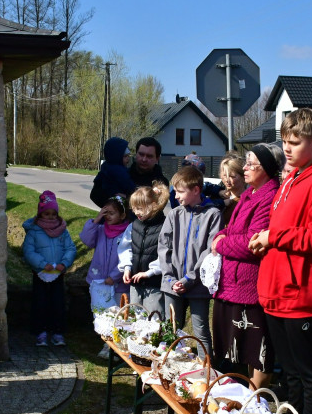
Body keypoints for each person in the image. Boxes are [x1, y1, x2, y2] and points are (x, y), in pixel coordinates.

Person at [249, 108, 312, 414]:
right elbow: (289, 227)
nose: (287, 149)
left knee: (311, 375)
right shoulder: (294, 175)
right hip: (281, 292)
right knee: (291, 374)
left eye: (295, 142)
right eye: (284, 142)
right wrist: (268, 239)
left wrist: (274, 237)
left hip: (305, 294)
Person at [210, 143, 283, 388]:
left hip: (251, 286)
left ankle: (256, 398)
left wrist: (221, 244)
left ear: (267, 168)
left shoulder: (269, 196)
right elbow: (230, 230)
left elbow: (252, 243)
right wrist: (221, 236)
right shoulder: (249, 194)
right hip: (232, 283)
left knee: (256, 349)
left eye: (251, 164)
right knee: (237, 349)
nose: (245, 168)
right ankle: (242, 396)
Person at [158, 166, 222, 353]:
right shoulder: (174, 214)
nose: (176, 196)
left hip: (198, 285)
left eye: (180, 191)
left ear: (196, 190)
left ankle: (206, 366)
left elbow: (210, 251)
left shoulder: (213, 215)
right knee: (171, 328)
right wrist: (170, 279)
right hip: (172, 285)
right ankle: (170, 363)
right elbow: (164, 247)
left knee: (200, 330)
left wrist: (189, 279)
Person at [22, 190, 76, 347]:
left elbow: (70, 248)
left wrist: (64, 263)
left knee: (58, 303)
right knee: (40, 303)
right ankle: (41, 332)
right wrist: (41, 263)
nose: (51, 217)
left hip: (58, 273)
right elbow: (28, 251)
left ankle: (58, 332)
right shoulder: (34, 231)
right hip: (40, 273)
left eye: (53, 214)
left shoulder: (62, 230)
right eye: (47, 214)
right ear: (40, 214)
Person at [119, 182, 170, 317]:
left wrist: (150, 272)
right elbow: (125, 248)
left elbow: (166, 253)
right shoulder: (134, 226)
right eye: (134, 208)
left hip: (154, 283)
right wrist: (127, 268)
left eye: (140, 208)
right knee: (135, 316)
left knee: (154, 317)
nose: (136, 212)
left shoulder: (164, 226)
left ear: (153, 205)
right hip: (135, 282)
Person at [81, 195, 131, 313]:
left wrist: (114, 276)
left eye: (112, 213)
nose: (107, 216)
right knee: (99, 313)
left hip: (119, 285)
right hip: (99, 281)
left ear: (122, 215)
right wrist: (96, 220)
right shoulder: (100, 230)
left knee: (119, 314)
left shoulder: (127, 233)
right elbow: (86, 239)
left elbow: (128, 257)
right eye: (105, 212)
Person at [90, 137, 136, 208]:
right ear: (116, 156)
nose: (128, 158)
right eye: (125, 156)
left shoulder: (105, 167)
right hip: (118, 207)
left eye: (128, 156)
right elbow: (130, 187)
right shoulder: (119, 171)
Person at [217, 151, 246, 223]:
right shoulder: (219, 198)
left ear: (243, 177)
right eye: (224, 175)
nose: (227, 180)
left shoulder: (245, 202)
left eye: (232, 176)